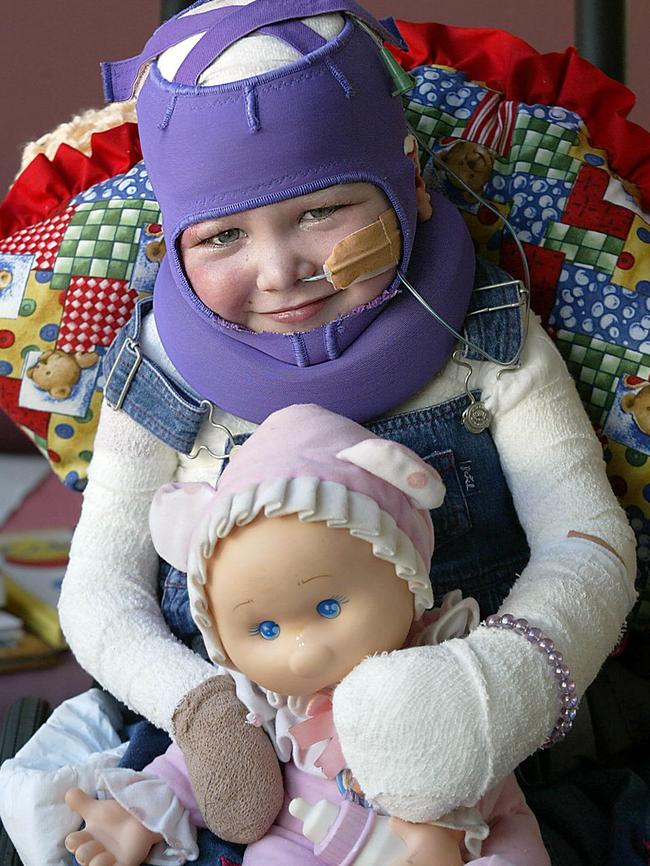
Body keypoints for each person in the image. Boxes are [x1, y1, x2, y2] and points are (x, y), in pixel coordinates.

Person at [52, 0, 636, 863]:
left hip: (490, 759)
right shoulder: (161, 370)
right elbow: (100, 594)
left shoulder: (485, 337)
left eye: (323, 212)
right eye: (222, 236)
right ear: (174, 245)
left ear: (410, 185)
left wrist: (490, 690)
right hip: (250, 763)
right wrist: (204, 710)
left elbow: (589, 543)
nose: (281, 270)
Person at [63, 404, 551, 866]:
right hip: (306, 837)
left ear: (409, 582)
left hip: (455, 835)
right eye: (266, 628)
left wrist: (440, 831)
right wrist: (139, 814)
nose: (303, 654)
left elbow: (482, 758)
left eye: (329, 606)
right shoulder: (270, 700)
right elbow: (208, 767)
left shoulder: (440, 671)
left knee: (515, 842)